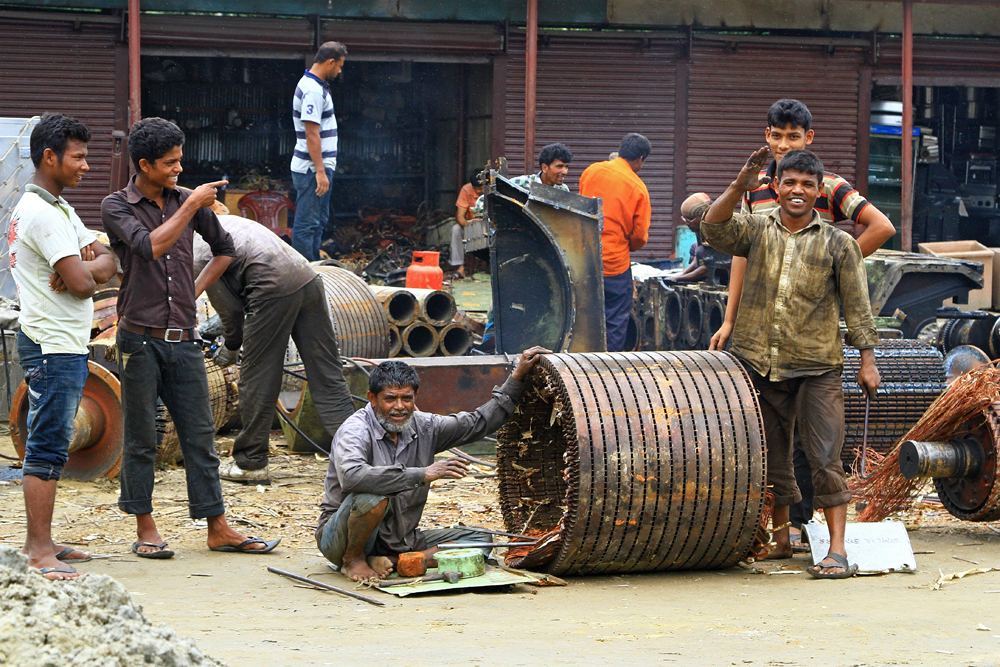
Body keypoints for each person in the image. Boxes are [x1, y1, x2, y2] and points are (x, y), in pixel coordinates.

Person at [709, 99, 896, 548]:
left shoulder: (831, 197)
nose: (783, 145)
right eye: (777, 136)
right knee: (775, 454)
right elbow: (725, 239)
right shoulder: (756, 200)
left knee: (820, 452)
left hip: (815, 350)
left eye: (793, 137)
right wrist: (730, 318)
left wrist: (829, 270)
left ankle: (833, 547)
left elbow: (876, 240)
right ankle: (783, 536)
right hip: (764, 351)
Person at [102, 117, 279, 558]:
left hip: (183, 338)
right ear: (143, 164)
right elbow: (150, 247)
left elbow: (226, 251)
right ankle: (146, 527)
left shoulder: (188, 200)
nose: (179, 169)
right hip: (138, 340)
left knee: (200, 434)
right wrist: (191, 205)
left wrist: (191, 291)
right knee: (142, 435)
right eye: (169, 163)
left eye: (181, 160)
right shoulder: (117, 206)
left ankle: (217, 526)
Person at [317, 346, 549, 582]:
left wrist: (516, 377)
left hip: (400, 541)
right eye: (390, 399)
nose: (399, 406)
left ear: (415, 397)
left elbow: (478, 423)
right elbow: (352, 476)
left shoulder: (425, 426)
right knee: (372, 496)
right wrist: (421, 474)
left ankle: (400, 561)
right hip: (340, 537)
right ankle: (353, 560)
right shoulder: (355, 430)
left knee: (479, 540)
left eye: (406, 398)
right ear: (372, 399)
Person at [10, 113, 117, 580]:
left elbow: (107, 258)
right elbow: (80, 283)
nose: (86, 166)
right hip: (50, 345)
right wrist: (87, 269)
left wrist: (91, 266)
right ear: (49, 157)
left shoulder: (59, 209)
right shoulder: (42, 214)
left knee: (53, 442)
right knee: (49, 446)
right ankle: (37, 550)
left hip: (63, 343)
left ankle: (46, 540)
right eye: (78, 156)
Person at [192, 210, 355, 484]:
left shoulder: (198, 251)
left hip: (272, 287)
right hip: (309, 279)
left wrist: (231, 347)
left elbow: (231, 311)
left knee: (258, 377)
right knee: (328, 375)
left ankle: (251, 462)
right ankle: (359, 455)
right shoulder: (229, 222)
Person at [579, 133, 652, 351]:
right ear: (639, 159)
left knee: (584, 317)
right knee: (615, 320)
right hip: (614, 266)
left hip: (584, 260)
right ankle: (606, 369)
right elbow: (639, 237)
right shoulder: (638, 188)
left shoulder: (590, 171)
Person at [290, 41, 348, 261]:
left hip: (317, 168)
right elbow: (311, 134)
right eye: (339, 66)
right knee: (307, 224)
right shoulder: (313, 90)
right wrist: (320, 171)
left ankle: (314, 267)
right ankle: (305, 274)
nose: (340, 70)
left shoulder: (317, 86)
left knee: (318, 221)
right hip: (311, 169)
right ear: (330, 62)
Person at [450, 170, 485, 279]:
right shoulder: (466, 189)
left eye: (481, 188)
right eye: (476, 189)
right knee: (456, 229)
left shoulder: (492, 189)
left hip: (488, 225)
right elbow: (460, 216)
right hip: (470, 225)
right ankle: (460, 268)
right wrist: (469, 228)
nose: (479, 191)